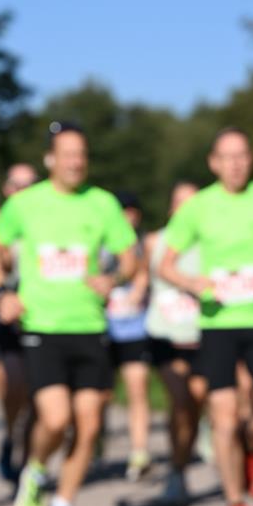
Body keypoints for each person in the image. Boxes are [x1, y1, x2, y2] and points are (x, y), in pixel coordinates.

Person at [0, 122, 137, 506]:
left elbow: (129, 258)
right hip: (42, 327)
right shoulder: (25, 203)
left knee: (88, 429)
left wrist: (113, 277)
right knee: (57, 418)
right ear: (50, 159)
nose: (76, 161)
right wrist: (1, 292)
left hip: (89, 327)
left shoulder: (103, 203)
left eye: (82, 154)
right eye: (67, 153)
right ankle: (34, 473)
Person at [160, 128, 253, 506]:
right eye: (227, 157)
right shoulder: (198, 206)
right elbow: (165, 264)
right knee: (222, 419)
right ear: (213, 162)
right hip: (217, 324)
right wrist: (193, 283)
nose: (235, 164)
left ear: (251, 159)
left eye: (242, 156)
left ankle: (250, 445)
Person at [145, 181, 206, 506]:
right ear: (171, 208)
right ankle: (175, 470)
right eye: (181, 203)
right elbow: (141, 277)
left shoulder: (209, 242)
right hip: (164, 333)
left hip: (200, 335)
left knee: (194, 405)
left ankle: (179, 466)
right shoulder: (155, 241)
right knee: (181, 400)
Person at [0, 163, 38, 486]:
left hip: (46, 320)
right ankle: (11, 436)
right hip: (11, 319)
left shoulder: (49, 218)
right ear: (6, 189)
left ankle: (29, 460)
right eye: (16, 185)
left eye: (30, 185)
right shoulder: (1, 225)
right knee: (15, 387)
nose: (22, 191)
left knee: (41, 394)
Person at [104, 190, 152, 481]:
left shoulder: (144, 245)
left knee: (138, 390)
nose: (127, 218)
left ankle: (139, 452)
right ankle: (94, 440)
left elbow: (149, 273)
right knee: (100, 396)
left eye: (132, 212)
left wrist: (142, 284)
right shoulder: (99, 243)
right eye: (122, 212)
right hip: (103, 329)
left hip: (135, 328)